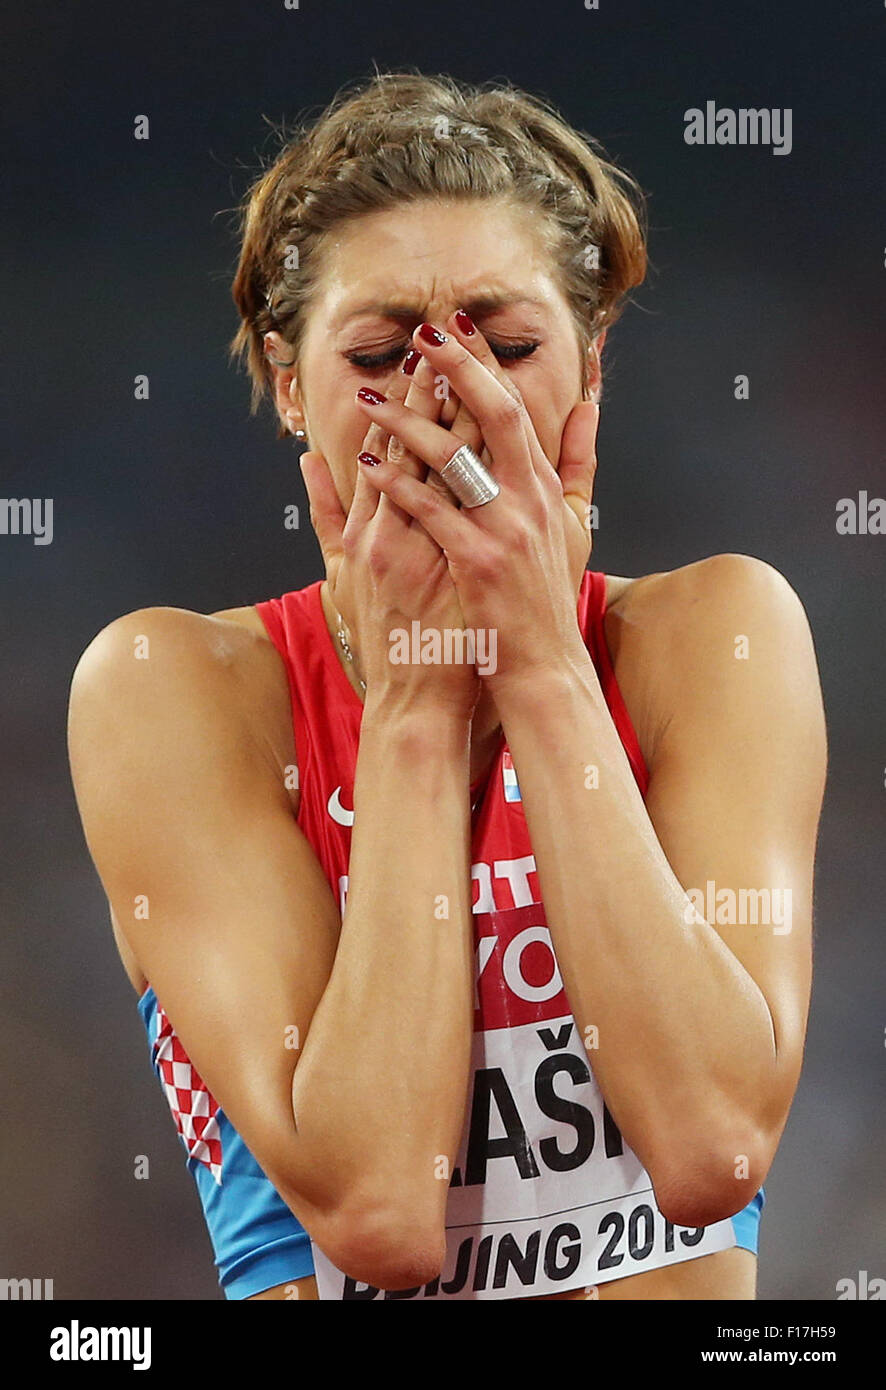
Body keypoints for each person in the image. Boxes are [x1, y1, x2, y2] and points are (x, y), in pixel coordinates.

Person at [67, 71, 826, 1301]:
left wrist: (540, 659)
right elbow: (376, 1212)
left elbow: (712, 1152)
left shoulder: (718, 634)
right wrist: (416, 704)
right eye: (378, 353)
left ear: (592, 368)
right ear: (282, 381)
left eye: (511, 346)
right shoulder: (172, 691)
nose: (448, 407)